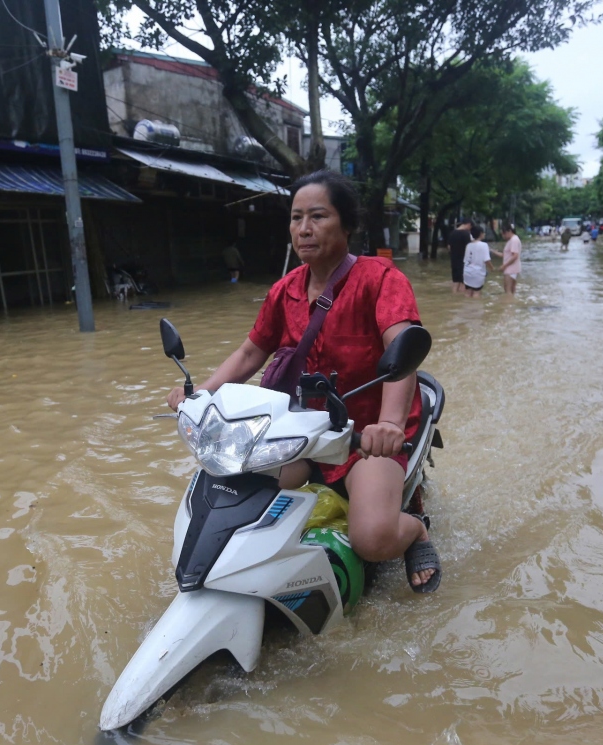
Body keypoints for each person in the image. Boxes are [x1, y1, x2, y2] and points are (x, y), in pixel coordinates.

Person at [165, 170, 440, 592]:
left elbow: (401, 349)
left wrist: (386, 425)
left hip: (364, 437)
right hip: (298, 431)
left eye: (318, 216)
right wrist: (200, 393)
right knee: (236, 492)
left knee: (371, 539)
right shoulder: (284, 290)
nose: (304, 229)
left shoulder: (380, 278)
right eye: (296, 218)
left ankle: (415, 531)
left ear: (346, 225)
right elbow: (250, 353)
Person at [490, 222, 522, 295]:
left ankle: (508, 304)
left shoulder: (514, 240)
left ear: (509, 231)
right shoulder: (513, 240)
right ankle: (512, 304)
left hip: (510, 269)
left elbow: (515, 256)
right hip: (513, 268)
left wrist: (504, 266)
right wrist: (494, 252)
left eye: (503, 234)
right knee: (512, 290)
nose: (503, 236)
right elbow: (506, 255)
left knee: (507, 290)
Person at [461, 224, 491, 298]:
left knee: (467, 292)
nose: (484, 234)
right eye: (483, 232)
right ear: (480, 234)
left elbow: (466, 260)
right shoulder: (484, 245)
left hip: (467, 272)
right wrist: (492, 268)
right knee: (476, 293)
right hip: (477, 274)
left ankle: (467, 307)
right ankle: (476, 309)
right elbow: (487, 260)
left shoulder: (468, 245)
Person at [447, 219, 473, 293]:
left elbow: (449, 247)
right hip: (464, 261)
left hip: (454, 260)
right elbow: (469, 248)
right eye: (470, 227)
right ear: (468, 224)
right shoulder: (466, 234)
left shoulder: (452, 233)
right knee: (463, 283)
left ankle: (454, 297)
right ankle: (461, 301)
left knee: (455, 282)